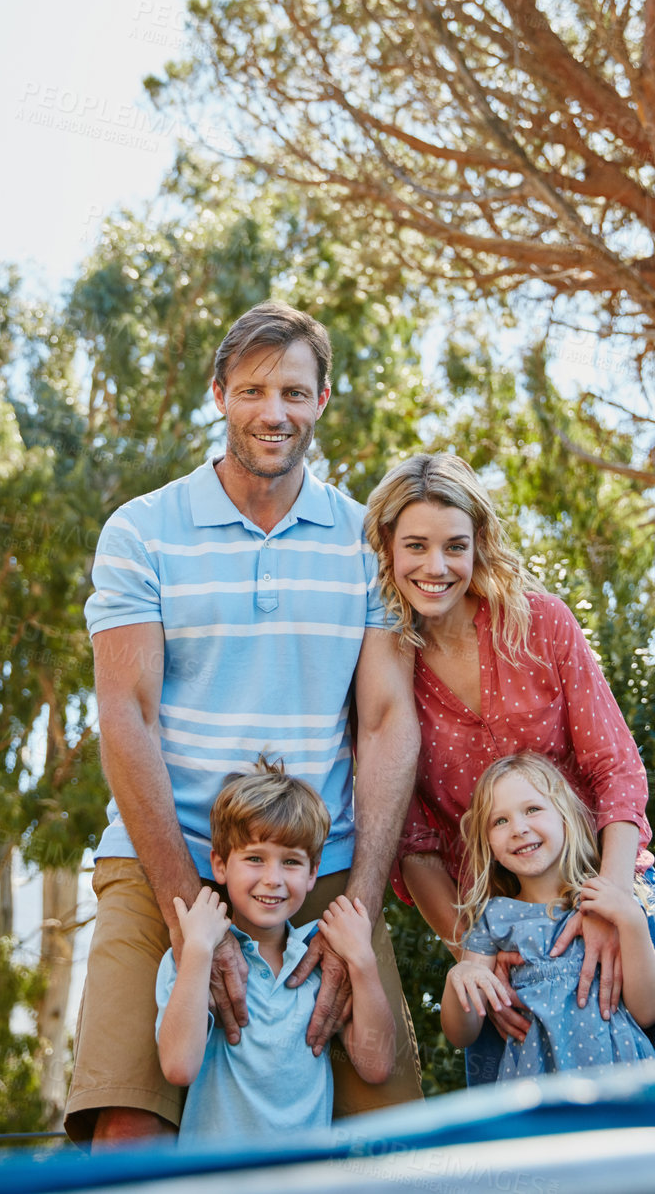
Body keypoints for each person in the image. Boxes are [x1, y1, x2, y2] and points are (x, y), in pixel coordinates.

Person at [64, 302, 422, 1147]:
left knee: (393, 1129)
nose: (274, 412)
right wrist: (190, 908)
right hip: (167, 850)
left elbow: (385, 718)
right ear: (220, 394)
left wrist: (360, 909)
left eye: (295, 392)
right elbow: (127, 714)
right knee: (129, 1124)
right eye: (254, 389)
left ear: (323, 400)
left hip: (320, 863)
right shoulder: (141, 533)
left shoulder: (366, 545)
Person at [364, 452, 655, 1082]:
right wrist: (474, 953)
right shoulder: (384, 668)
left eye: (455, 546)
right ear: (387, 546)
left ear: (479, 544)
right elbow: (413, 843)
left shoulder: (540, 624)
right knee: (512, 1141)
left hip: (609, 882)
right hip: (500, 928)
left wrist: (612, 903)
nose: (436, 568)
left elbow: (617, 774)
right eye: (415, 546)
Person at [157, 758, 394, 1139]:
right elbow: (178, 1067)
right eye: (254, 858)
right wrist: (199, 949)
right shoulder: (195, 956)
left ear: (313, 872)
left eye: (291, 862)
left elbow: (377, 1064)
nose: (273, 879)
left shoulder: (322, 959)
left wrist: (362, 958)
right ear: (220, 864)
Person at [441, 753, 655, 1076]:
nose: (518, 828)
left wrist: (633, 922)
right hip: (536, 1088)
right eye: (499, 821)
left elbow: (648, 1010)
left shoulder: (604, 901)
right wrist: (457, 980)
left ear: (564, 816)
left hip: (621, 1079)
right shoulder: (494, 917)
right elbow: (462, 1034)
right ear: (487, 842)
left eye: (532, 809)